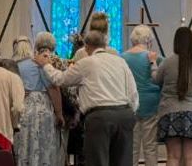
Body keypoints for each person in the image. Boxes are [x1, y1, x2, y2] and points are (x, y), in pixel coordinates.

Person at [37, 30, 138, 166]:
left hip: (100, 118)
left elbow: (60, 79)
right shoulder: (121, 62)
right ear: (105, 45)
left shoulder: (86, 63)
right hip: (124, 115)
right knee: (123, 162)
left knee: (98, 161)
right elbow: (133, 92)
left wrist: (46, 65)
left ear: (86, 47)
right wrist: (131, 113)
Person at [153, 28, 192, 166]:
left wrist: (153, 66)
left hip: (169, 114)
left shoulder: (167, 62)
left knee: (173, 157)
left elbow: (156, 80)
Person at [14, 35, 63, 166]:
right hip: (42, 108)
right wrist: (59, 114)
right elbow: (53, 89)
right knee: (43, 147)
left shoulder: (18, 66)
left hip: (24, 107)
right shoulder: (42, 64)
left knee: (26, 144)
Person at [123, 25, 163, 166]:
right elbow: (162, 80)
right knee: (150, 147)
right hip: (151, 105)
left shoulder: (123, 58)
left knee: (131, 148)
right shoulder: (155, 58)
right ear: (148, 40)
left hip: (129, 105)